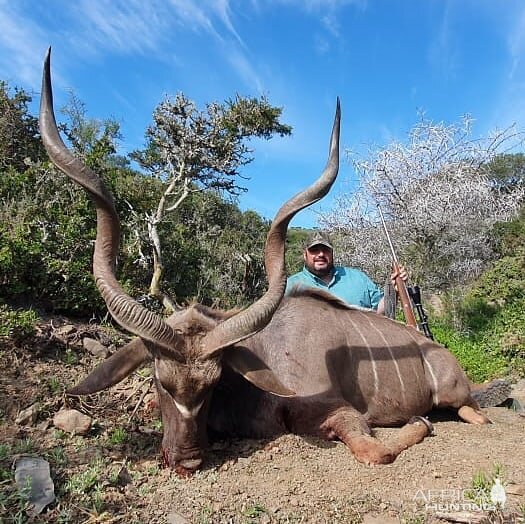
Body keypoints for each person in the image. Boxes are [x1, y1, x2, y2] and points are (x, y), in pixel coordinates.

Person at [286, 231, 407, 315]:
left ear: (332, 253)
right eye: (314, 250)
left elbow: (380, 313)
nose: (321, 254)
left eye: (325, 250)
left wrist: (393, 290)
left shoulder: (358, 278)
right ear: (304, 255)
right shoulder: (289, 286)